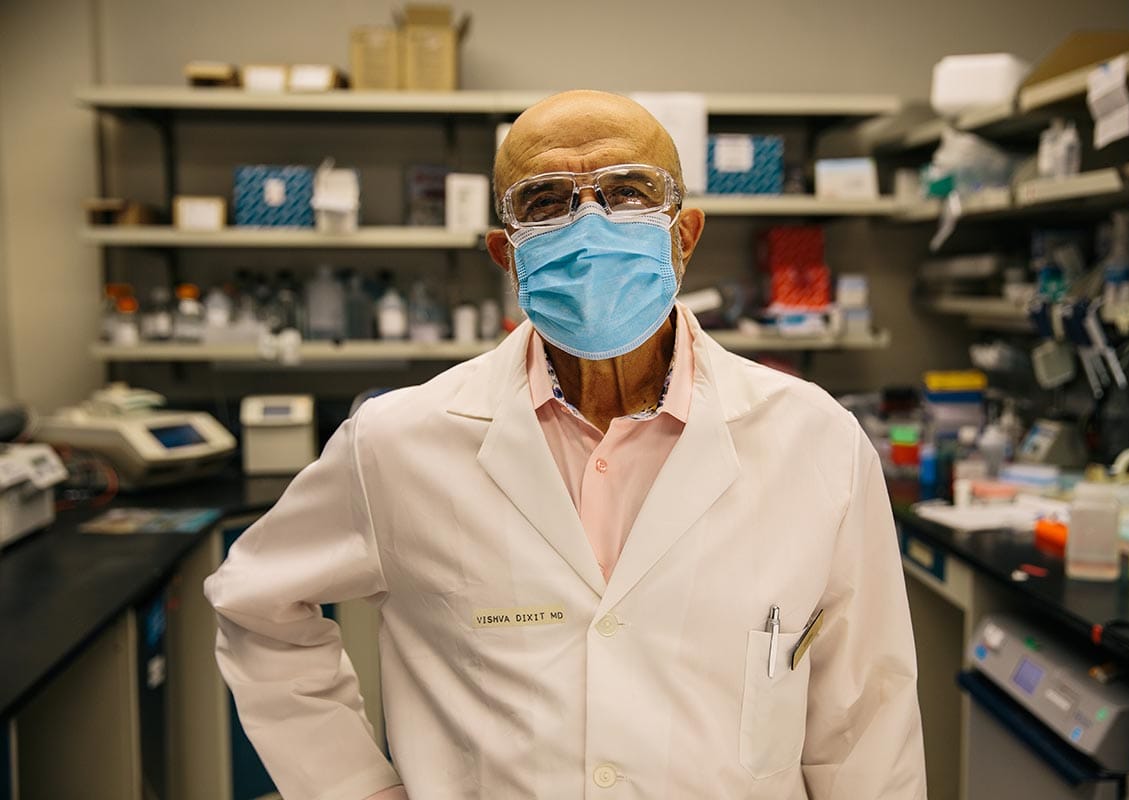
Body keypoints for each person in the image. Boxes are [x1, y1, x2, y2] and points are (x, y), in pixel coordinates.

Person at [206, 89, 926, 800]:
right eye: (546, 202)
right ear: (506, 254)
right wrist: (354, 788)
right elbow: (254, 606)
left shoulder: (814, 440)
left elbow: (867, 719)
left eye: (629, 191)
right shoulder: (397, 443)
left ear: (684, 234)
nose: (591, 225)